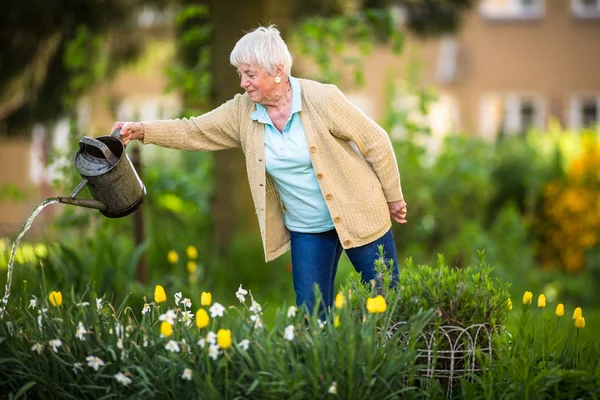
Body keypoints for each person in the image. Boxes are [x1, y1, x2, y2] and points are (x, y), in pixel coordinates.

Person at [113, 25, 407, 313]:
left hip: (361, 212)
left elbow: (376, 142)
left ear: (277, 71)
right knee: (311, 316)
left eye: (250, 74)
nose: (243, 82)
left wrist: (393, 197)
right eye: (240, 73)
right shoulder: (243, 112)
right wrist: (141, 130)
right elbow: (194, 130)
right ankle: (322, 363)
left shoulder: (322, 99)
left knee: (386, 303)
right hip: (307, 229)